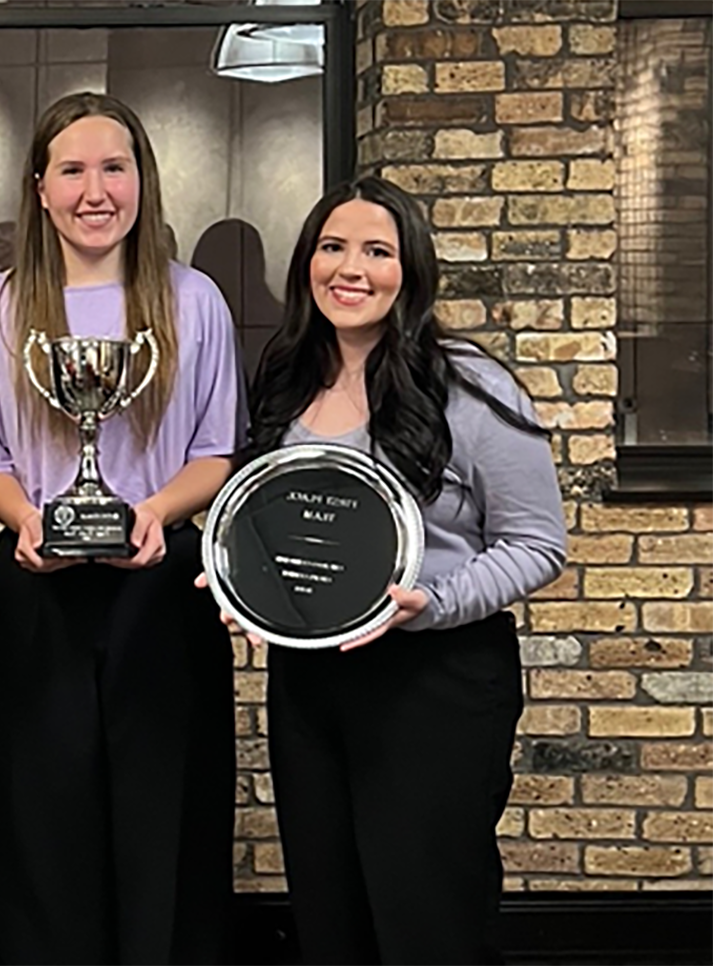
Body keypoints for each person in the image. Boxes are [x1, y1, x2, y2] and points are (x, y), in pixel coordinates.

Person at [224, 175, 567, 965]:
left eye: (377, 251)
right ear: (307, 263)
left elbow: (538, 543)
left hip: (435, 683)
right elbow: (267, 521)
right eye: (332, 247)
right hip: (310, 682)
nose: (352, 268)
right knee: (328, 912)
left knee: (428, 920)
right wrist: (244, 583)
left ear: (409, 270)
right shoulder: (284, 380)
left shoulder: (472, 385)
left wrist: (434, 602)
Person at [0, 92, 242, 966]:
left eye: (114, 167)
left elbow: (215, 450)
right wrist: (28, 521)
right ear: (39, 188)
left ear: (143, 183)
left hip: (162, 586)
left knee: (167, 816)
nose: (95, 190)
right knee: (42, 825)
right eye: (72, 170)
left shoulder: (194, 303)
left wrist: (154, 511)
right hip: (37, 589)